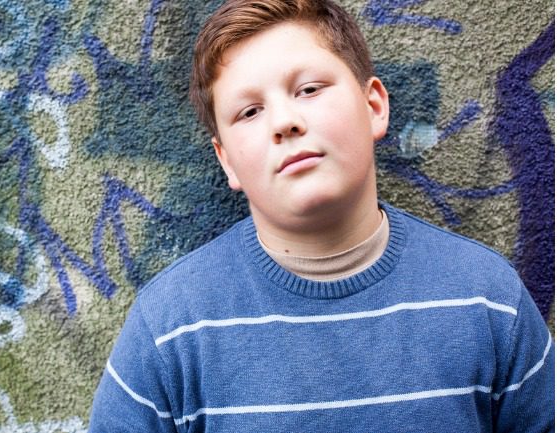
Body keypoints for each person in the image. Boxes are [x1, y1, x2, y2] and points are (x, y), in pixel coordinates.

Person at [88, 0, 555, 431]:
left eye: (308, 89)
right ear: (227, 159)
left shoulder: (488, 299)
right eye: (249, 112)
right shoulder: (170, 328)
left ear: (373, 106)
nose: (283, 121)